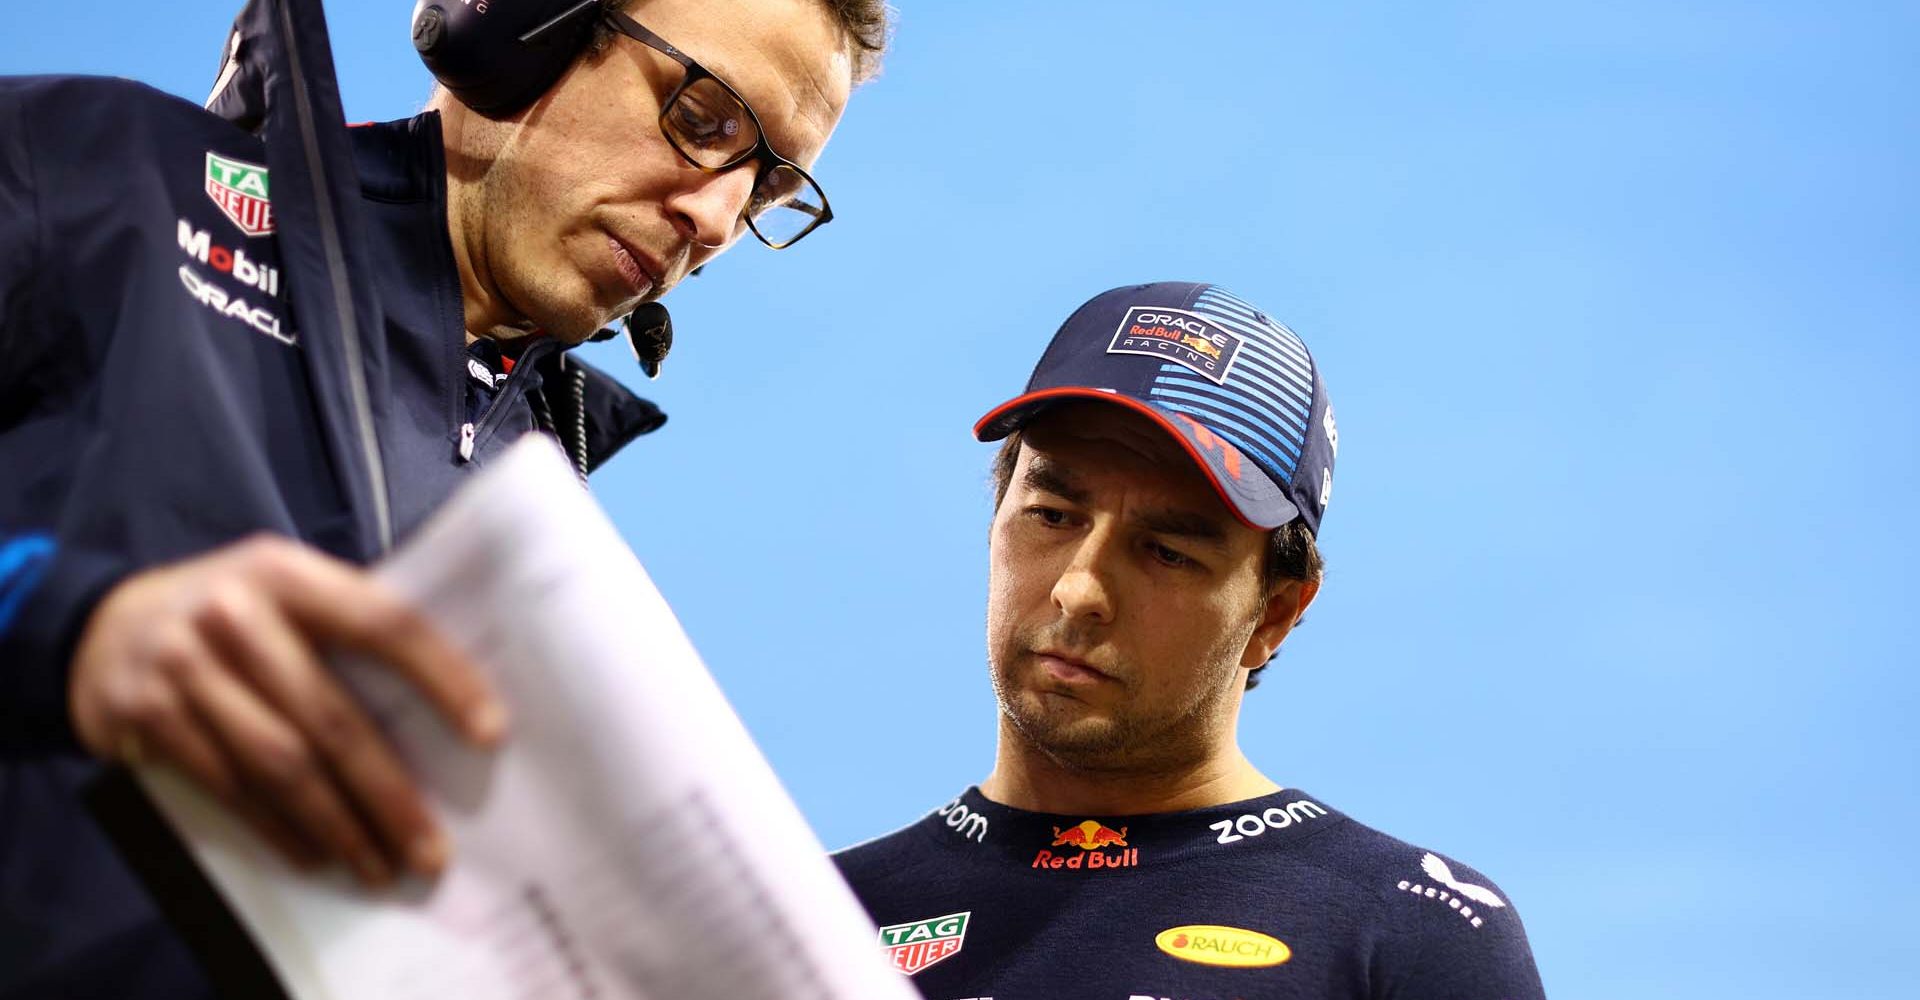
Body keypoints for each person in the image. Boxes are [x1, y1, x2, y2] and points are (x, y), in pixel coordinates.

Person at [0, 0, 888, 995]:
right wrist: (55, 619)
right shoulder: (97, 172)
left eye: (766, 188)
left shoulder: (553, 545)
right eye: (706, 118)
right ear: (513, 27)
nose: (715, 220)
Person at [833, 282, 1547, 999]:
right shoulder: (816, 914)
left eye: (1168, 552)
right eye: (1051, 515)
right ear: (994, 522)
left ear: (1274, 614)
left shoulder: (1413, 932)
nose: (1080, 591)